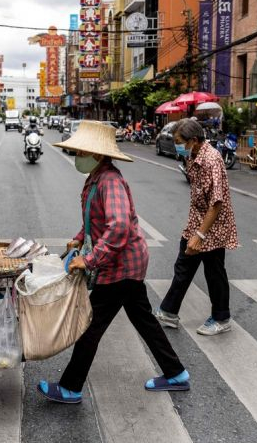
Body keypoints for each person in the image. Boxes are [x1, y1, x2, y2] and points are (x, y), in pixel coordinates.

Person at [37, 121, 189, 404]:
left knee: (90, 325)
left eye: (81, 151)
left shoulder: (110, 181)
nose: (77, 156)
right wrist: (78, 238)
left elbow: (118, 226)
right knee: (143, 320)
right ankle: (176, 373)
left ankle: (71, 387)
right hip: (125, 265)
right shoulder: (96, 178)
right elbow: (96, 220)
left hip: (122, 267)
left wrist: (90, 260)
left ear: (96, 154)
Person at [155, 118, 238, 336]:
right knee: (184, 264)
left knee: (214, 271)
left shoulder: (212, 160)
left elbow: (217, 202)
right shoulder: (192, 156)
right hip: (197, 220)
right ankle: (168, 311)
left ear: (193, 140)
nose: (177, 145)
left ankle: (221, 318)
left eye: (179, 141)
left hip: (213, 225)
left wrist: (200, 235)